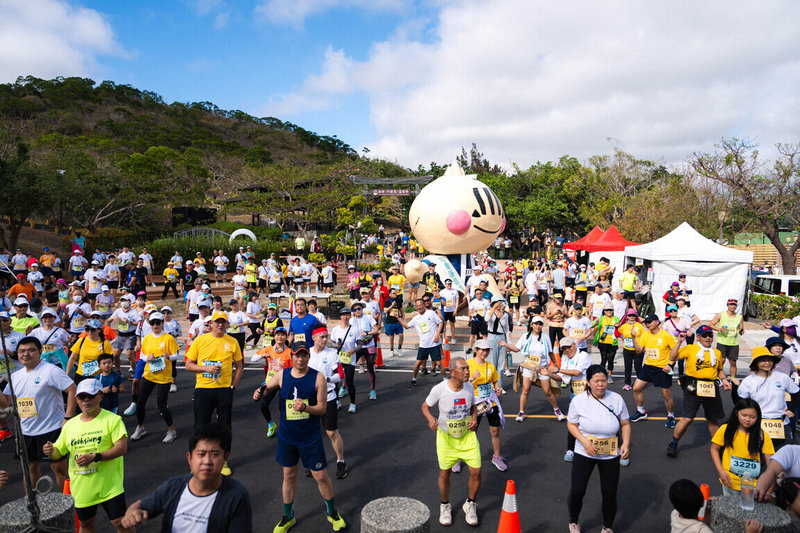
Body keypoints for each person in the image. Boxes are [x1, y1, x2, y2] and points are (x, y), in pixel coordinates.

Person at [263, 342, 346, 532]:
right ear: (291, 356)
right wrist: (260, 391)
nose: (300, 359)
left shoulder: (318, 378)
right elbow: (268, 388)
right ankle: (288, 516)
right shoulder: (282, 375)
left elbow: (322, 408)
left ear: (308, 356)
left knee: (321, 476)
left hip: (310, 437)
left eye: (304, 355)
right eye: (297, 355)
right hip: (287, 437)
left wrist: (306, 408)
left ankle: (332, 512)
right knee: (288, 475)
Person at [121, 423, 253, 531]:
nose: (207, 461)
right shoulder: (174, 487)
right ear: (189, 458)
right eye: (201, 454)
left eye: (214, 454)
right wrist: (132, 513)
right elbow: (139, 506)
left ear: (226, 458)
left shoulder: (236, 497)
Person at [43, 379, 132, 533]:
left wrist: (96, 457)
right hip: (82, 487)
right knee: (85, 525)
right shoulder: (70, 425)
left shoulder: (113, 420)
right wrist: (51, 451)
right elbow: (59, 451)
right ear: (76, 399)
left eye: (90, 396)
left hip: (109, 486)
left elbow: (121, 448)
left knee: (121, 523)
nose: (86, 400)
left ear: (100, 396)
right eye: (81, 397)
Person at [0, 336, 76, 490]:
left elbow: (72, 388)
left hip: (51, 429)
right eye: (21, 351)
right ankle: (32, 506)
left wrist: (68, 417)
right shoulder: (15, 376)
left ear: (40, 352)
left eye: (30, 350)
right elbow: (6, 403)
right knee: (29, 469)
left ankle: (68, 505)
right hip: (26, 431)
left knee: (59, 468)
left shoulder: (51, 371)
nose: (25, 354)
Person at [566, 364, 630, 533]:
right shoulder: (578, 400)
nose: (601, 384)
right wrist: (583, 441)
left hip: (610, 453)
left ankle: (607, 526)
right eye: (596, 381)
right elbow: (571, 424)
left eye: (603, 380)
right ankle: (574, 521)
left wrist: (625, 443)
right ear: (588, 382)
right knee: (578, 490)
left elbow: (625, 423)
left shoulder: (616, 399)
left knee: (609, 492)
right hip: (584, 451)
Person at [421, 356, 481, 527]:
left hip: (467, 436)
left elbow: (473, 406)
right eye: (463, 369)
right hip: (446, 438)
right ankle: (445, 505)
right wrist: (431, 419)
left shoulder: (469, 386)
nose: (467, 372)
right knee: (444, 474)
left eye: (467, 368)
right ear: (452, 372)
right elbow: (425, 406)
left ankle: (470, 503)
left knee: (476, 472)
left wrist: (474, 418)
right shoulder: (439, 389)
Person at [185, 310, 244, 476]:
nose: (219, 324)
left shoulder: (232, 342)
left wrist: (232, 386)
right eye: (216, 322)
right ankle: (196, 461)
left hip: (224, 390)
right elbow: (189, 365)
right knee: (200, 426)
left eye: (222, 322)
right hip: (204, 389)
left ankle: (223, 462)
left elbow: (239, 367)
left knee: (224, 427)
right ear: (210, 324)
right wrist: (206, 368)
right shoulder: (201, 340)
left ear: (227, 324)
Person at [666, 326, 731, 458]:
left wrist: (724, 380)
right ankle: (673, 443)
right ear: (698, 337)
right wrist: (679, 342)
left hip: (711, 387)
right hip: (693, 386)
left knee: (713, 420)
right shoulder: (690, 349)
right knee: (688, 418)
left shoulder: (717, 353)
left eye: (710, 335)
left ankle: (718, 447)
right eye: (704, 335)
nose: (708, 338)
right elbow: (672, 357)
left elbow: (719, 370)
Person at [130, 312, 180, 443]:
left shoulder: (168, 338)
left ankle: (171, 430)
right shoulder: (147, 338)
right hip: (149, 374)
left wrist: (169, 357)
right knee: (140, 402)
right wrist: (148, 358)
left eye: (158, 322)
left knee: (161, 405)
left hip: (164, 376)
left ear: (162, 323)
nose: (155, 325)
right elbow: (142, 356)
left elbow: (176, 355)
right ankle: (140, 427)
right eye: (153, 323)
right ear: (150, 324)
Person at [501, 316, 563, 422]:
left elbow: (550, 352)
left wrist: (556, 364)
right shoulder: (525, 336)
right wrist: (505, 344)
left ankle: (556, 409)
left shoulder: (546, 337)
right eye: (536, 324)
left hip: (542, 368)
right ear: (532, 325)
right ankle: (521, 412)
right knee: (525, 390)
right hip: (528, 368)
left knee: (547, 391)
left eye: (540, 324)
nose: (538, 326)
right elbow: (516, 349)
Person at [711, 398, 774, 497]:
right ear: (736, 413)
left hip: (752, 486)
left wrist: (769, 491)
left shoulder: (763, 436)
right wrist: (721, 471)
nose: (747, 419)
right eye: (744, 415)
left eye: (752, 417)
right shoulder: (726, 429)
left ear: (758, 417)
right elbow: (714, 449)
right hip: (729, 482)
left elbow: (772, 465)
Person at [737, 347, 798, 450]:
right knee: (758, 457)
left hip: (782, 423)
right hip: (758, 424)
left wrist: (791, 409)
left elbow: (796, 394)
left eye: (769, 360)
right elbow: (741, 401)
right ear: (756, 363)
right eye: (763, 360)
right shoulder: (748, 381)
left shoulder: (782, 377)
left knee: (784, 457)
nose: (767, 363)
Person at [308, 327, 348, 479]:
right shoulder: (307, 354)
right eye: (322, 337)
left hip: (328, 397)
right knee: (312, 433)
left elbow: (340, 375)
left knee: (331, 432)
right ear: (314, 338)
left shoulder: (332, 354)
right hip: (310, 399)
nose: (325, 340)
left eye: (326, 337)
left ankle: (340, 460)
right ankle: (314, 460)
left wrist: (327, 380)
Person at [466, 339, 507, 472]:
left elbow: (495, 381)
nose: (485, 352)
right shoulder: (468, 365)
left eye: (487, 350)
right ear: (476, 350)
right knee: (471, 431)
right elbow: (460, 384)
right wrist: (472, 378)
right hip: (476, 402)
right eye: (482, 350)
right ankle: (462, 457)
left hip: (490, 400)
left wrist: (498, 388)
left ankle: (497, 457)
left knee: (495, 430)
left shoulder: (490, 366)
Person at [630, 314, 677, 427]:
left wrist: (670, 365)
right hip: (648, 366)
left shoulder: (666, 336)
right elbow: (639, 350)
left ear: (657, 322)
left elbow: (675, 352)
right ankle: (641, 411)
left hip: (662, 368)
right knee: (636, 388)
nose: (647, 324)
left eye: (650, 322)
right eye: (646, 322)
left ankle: (671, 416)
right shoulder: (645, 335)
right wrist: (633, 337)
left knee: (666, 394)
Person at [252, 327, 292, 436]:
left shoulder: (289, 352)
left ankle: (284, 427)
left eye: (282, 335)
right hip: (270, 382)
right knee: (263, 405)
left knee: (282, 407)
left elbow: (293, 370)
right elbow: (253, 359)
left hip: (283, 382)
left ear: (286, 337)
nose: (280, 337)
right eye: (277, 335)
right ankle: (270, 424)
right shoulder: (269, 349)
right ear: (274, 337)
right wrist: (262, 356)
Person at [401, 298, 444, 388]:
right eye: (417, 306)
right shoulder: (416, 318)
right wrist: (398, 318)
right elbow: (407, 326)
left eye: (420, 305)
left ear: (424, 305)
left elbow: (440, 322)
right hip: (423, 345)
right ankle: (414, 379)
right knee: (417, 363)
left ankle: (445, 379)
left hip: (434, 344)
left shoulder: (431, 313)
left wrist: (437, 335)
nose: (419, 307)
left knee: (439, 363)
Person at [709, 298, 745, 385]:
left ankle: (733, 378)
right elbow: (711, 324)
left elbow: (741, 328)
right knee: (721, 361)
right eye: (731, 305)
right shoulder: (721, 315)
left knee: (733, 362)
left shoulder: (739, 317)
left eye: (734, 305)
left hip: (733, 343)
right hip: (722, 342)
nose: (732, 307)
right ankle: (718, 377)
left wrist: (741, 331)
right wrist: (719, 329)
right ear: (727, 305)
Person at [349, 300, 380, 398]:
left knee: (370, 368)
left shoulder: (369, 317)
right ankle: (344, 387)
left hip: (369, 345)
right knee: (350, 368)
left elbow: (376, 330)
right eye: (355, 310)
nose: (357, 311)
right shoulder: (351, 320)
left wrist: (367, 333)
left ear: (362, 309)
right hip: (357, 346)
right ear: (353, 312)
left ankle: (372, 390)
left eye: (359, 309)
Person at [486, 296, 512, 383]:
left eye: (501, 303)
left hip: (502, 337)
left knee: (501, 364)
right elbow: (486, 319)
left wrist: (509, 343)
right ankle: (492, 385)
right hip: (492, 337)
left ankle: (499, 386)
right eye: (498, 302)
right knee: (492, 362)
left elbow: (507, 330)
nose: (500, 304)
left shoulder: (505, 315)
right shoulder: (489, 313)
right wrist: (493, 308)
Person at [593, 303, 620, 382]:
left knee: (611, 359)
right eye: (607, 310)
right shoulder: (601, 318)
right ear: (604, 311)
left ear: (613, 311)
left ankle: (609, 376)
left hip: (613, 342)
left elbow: (621, 328)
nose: (609, 311)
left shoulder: (616, 318)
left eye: (610, 310)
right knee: (604, 359)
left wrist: (619, 326)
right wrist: (595, 323)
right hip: (603, 342)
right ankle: (602, 375)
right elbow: (591, 325)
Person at [466, 289, 490, 354]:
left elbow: (489, 310)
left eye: (480, 293)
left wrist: (488, 320)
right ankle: (470, 348)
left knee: (484, 335)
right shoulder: (473, 302)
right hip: (475, 320)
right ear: (475, 295)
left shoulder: (486, 301)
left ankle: (486, 347)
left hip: (483, 320)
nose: (479, 295)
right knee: (472, 335)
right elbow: (470, 311)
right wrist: (474, 311)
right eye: (478, 294)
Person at [384, 288, 404, 356]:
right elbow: (385, 311)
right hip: (390, 322)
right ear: (390, 294)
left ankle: (399, 348)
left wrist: (403, 319)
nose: (395, 294)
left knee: (401, 335)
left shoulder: (398, 301)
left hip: (398, 321)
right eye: (394, 293)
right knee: (391, 337)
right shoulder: (387, 302)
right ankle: (391, 349)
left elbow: (401, 310)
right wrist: (392, 305)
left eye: (396, 293)